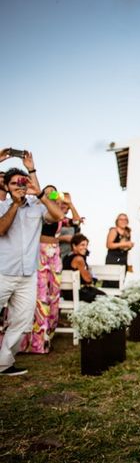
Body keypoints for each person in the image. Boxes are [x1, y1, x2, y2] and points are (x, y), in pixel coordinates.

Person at [0, 156, 64, 376]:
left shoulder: (36, 207)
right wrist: (16, 205)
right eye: (14, 183)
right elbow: (1, 229)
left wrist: (39, 193)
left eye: (22, 181)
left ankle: (4, 364)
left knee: (23, 321)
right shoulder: (2, 206)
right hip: (3, 273)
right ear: (7, 187)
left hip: (28, 275)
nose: (19, 185)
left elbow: (59, 215)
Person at [23, 185, 64, 354]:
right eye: (46, 191)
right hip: (39, 252)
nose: (49, 194)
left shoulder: (57, 211)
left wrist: (66, 201)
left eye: (52, 192)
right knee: (40, 297)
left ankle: (48, 336)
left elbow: (73, 221)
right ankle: (36, 343)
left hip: (55, 254)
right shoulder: (38, 210)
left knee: (54, 296)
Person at [61, 233, 105, 302]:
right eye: (82, 245)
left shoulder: (67, 256)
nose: (85, 247)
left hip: (67, 293)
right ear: (74, 246)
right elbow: (87, 279)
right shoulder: (79, 259)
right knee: (104, 297)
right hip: (76, 293)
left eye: (86, 245)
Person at [58, 193, 83, 260]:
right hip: (53, 254)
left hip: (68, 256)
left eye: (66, 204)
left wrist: (70, 204)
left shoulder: (68, 221)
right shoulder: (49, 219)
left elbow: (77, 222)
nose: (63, 205)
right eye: (62, 202)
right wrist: (62, 238)